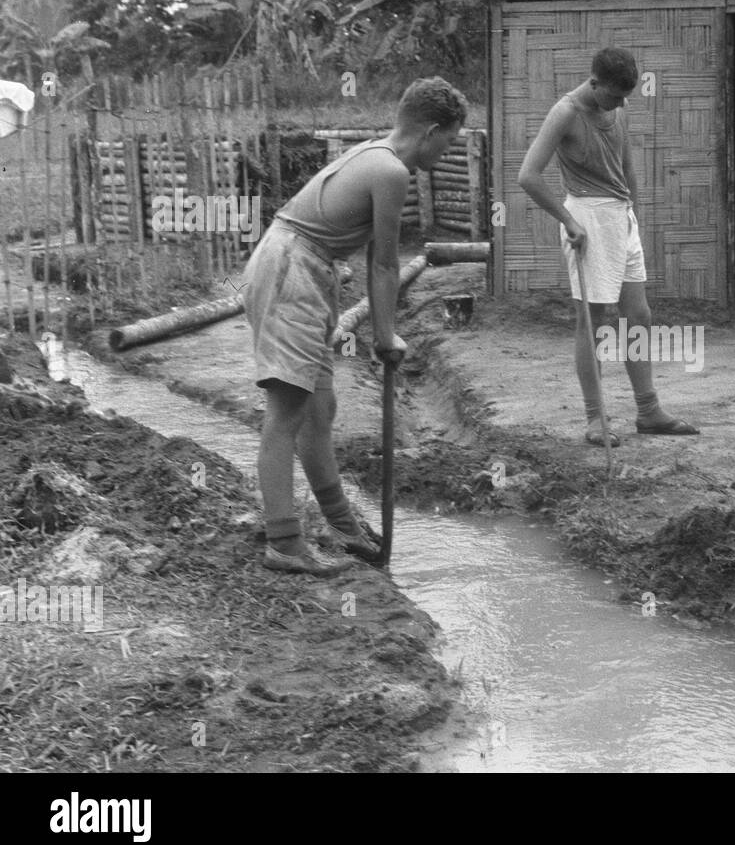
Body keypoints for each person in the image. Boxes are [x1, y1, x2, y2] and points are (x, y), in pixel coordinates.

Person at [245, 77, 467, 575]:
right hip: (292, 270)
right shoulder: (390, 170)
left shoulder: (377, 154)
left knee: (319, 407)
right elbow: (385, 263)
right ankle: (284, 542)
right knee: (285, 412)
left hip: (301, 268)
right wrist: (385, 336)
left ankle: (341, 523)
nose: (448, 149)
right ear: (432, 131)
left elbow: (378, 261)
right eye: (451, 140)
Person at [518, 47, 697, 445]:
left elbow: (627, 166)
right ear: (594, 82)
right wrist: (568, 220)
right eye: (614, 95)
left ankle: (648, 411)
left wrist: (634, 213)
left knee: (640, 315)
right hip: (587, 217)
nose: (620, 103)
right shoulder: (565, 113)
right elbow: (528, 175)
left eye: (625, 96)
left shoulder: (619, 108)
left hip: (620, 217)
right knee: (594, 321)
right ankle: (595, 419)